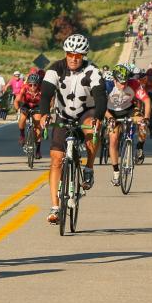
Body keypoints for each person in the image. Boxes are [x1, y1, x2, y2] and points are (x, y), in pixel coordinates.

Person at [34, 34, 106, 224]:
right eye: (71, 54)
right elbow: (45, 94)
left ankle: (89, 167)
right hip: (63, 115)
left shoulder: (92, 71)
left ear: (84, 56)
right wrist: (44, 114)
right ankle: (55, 208)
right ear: (66, 53)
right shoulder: (55, 69)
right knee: (56, 159)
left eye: (78, 55)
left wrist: (98, 117)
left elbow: (100, 98)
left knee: (92, 128)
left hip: (86, 112)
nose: (74, 58)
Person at [103, 63, 150, 183]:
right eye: (121, 83)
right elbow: (101, 106)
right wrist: (110, 118)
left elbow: (146, 100)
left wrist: (147, 117)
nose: (124, 85)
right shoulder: (107, 86)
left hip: (129, 110)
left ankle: (139, 148)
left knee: (143, 124)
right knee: (113, 139)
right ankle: (116, 172)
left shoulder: (134, 84)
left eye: (126, 82)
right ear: (114, 80)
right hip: (112, 113)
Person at [16, 71, 44, 157]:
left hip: (37, 106)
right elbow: (17, 100)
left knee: (38, 126)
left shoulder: (41, 90)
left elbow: (48, 101)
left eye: (35, 85)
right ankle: (22, 135)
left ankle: (38, 150)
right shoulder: (24, 88)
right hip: (26, 105)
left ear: (38, 84)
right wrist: (18, 109)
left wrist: (46, 111)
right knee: (22, 118)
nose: (32, 87)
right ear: (28, 84)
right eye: (30, 84)